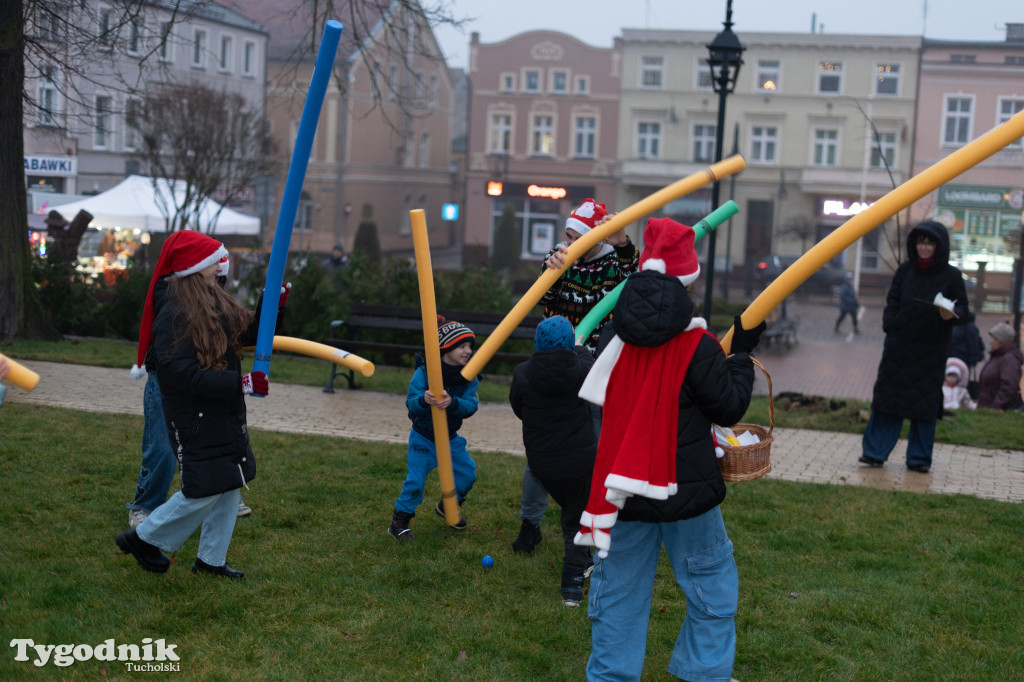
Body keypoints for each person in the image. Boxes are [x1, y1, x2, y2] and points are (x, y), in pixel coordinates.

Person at [574, 217, 764, 681]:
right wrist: (740, 358)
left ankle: (611, 676)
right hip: (686, 490)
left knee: (618, 592)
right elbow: (728, 407)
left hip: (622, 489)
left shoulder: (614, 337)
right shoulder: (698, 345)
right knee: (710, 583)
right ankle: (705, 672)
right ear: (688, 280)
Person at [115, 230, 268, 579]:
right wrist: (240, 383)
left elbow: (249, 335)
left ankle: (211, 560)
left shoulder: (215, 302)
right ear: (194, 267)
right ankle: (143, 538)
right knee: (205, 485)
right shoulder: (175, 312)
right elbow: (180, 374)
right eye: (214, 261)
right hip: (195, 415)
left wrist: (273, 305)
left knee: (229, 480)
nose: (220, 267)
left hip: (221, 409)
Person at [513, 198, 639, 556]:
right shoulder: (559, 258)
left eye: (576, 238)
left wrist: (624, 243)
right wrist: (551, 269)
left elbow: (635, 282)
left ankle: (595, 521)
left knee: (594, 448)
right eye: (567, 236)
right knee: (542, 453)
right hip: (556, 367)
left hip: (596, 369)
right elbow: (543, 297)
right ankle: (530, 524)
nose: (568, 243)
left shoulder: (614, 263)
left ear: (596, 238)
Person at [858, 221, 968, 474]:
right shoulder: (904, 271)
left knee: (924, 406)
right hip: (899, 348)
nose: (924, 247)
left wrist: (951, 314)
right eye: (920, 242)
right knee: (888, 401)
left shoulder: (952, 275)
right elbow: (893, 300)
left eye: (929, 243)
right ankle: (874, 453)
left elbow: (963, 309)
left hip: (931, 351)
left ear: (939, 246)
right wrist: (890, 324)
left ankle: (919, 459)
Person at [509, 315, 597, 606]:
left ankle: (581, 558)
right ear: (569, 343)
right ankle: (572, 584)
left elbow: (518, 407)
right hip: (579, 462)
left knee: (571, 507)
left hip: (542, 464)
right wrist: (579, 347)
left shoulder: (523, 373)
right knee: (576, 519)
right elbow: (593, 374)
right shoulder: (582, 368)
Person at [388, 317, 480, 540]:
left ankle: (448, 506)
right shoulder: (424, 372)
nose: (468, 351)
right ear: (446, 348)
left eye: (470, 346)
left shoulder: (469, 376)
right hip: (423, 438)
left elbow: (471, 406)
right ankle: (399, 523)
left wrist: (453, 403)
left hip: (449, 438)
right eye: (462, 346)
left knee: (468, 473)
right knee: (415, 481)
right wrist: (424, 399)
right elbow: (411, 403)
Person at [976, 321, 1023, 411]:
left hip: (998, 411)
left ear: (1000, 341)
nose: (990, 342)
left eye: (993, 338)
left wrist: (995, 407)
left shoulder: (1009, 359)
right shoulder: (998, 356)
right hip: (988, 409)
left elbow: (1009, 386)